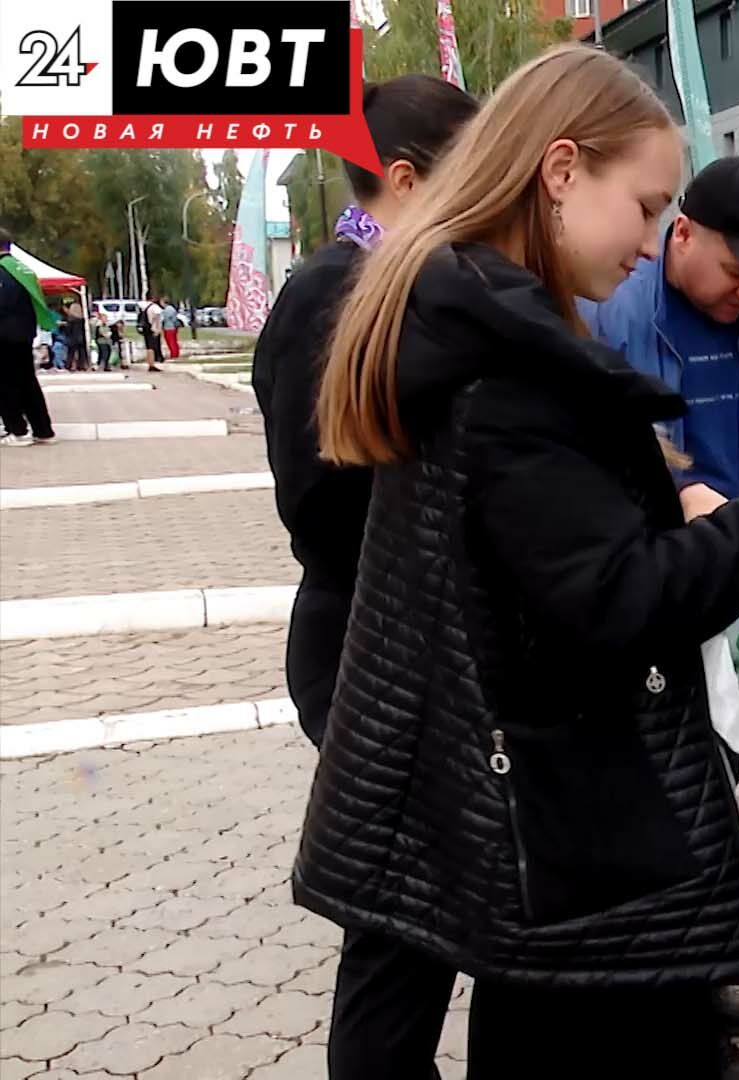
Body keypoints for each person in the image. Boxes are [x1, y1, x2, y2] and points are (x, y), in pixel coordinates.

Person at [292, 45, 739, 1079]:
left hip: (475, 747)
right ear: (563, 171)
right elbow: (610, 598)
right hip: (537, 770)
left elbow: (541, 542)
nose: (648, 236)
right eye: (646, 204)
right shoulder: (509, 364)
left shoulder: (468, 320)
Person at [251, 72, 479, 1080]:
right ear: (401, 176)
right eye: (467, 178)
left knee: (423, 915)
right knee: (401, 927)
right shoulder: (327, 298)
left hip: (419, 646)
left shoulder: (415, 286)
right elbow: (318, 501)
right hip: (366, 652)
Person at [582, 152, 739, 1042]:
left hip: (738, 591)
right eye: (737, 271)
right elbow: (596, 443)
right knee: (659, 788)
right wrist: (672, 495)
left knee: (721, 771)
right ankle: (650, 981)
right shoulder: (611, 309)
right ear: (680, 232)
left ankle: (702, 967)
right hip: (652, 586)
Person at [0, 229, 58, 446]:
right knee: (27, 383)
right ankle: (43, 430)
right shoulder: (22, 270)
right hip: (23, 333)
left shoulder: (2, 271)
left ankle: (17, 430)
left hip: (4, 336)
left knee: (5, 385)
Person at [139, 293, 165, 371]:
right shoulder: (154, 307)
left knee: (149, 347)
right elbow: (157, 317)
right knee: (153, 347)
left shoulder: (144, 306)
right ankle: (152, 364)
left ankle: (150, 363)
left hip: (146, 328)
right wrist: (158, 329)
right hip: (153, 328)